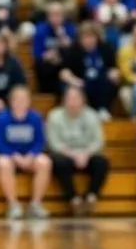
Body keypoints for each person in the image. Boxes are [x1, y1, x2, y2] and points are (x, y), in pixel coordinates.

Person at [45, 85, 109, 216]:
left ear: (83, 100)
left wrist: (86, 153)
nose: (73, 102)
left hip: (86, 154)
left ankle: (91, 196)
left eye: (76, 98)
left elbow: (98, 141)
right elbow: (53, 143)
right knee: (59, 163)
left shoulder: (92, 115)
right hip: (66, 154)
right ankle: (74, 199)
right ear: (64, 101)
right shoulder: (54, 116)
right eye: (70, 99)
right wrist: (73, 154)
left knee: (102, 162)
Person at [0, 85, 52, 220]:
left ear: (29, 101)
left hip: (29, 156)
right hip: (9, 155)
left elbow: (40, 142)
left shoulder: (35, 118)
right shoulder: (2, 118)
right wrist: (14, 156)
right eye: (17, 99)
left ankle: (36, 204)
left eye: (24, 99)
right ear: (11, 101)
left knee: (45, 162)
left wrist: (31, 155)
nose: (20, 102)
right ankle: (13, 205)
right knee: (3, 163)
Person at [59, 21, 120, 118]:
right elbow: (64, 72)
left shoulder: (105, 48)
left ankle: (102, 110)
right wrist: (73, 80)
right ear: (80, 39)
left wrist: (114, 73)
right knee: (71, 88)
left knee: (111, 83)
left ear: (97, 37)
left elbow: (114, 67)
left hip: (102, 81)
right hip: (81, 81)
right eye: (85, 38)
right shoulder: (73, 50)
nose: (89, 40)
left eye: (91, 37)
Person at [31, 1, 76, 95]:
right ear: (48, 17)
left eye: (59, 15)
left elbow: (76, 51)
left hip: (64, 65)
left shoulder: (70, 28)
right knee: (41, 66)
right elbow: (37, 54)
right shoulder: (41, 29)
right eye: (53, 15)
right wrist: (48, 55)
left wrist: (65, 41)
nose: (56, 18)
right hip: (48, 67)